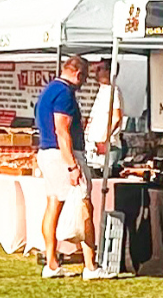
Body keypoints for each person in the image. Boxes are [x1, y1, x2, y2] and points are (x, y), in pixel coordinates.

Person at [34, 56, 112, 280]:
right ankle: (91, 266)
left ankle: (51, 263)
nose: (84, 83)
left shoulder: (49, 90)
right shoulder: (65, 94)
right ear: (78, 74)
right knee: (85, 205)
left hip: (47, 152)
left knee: (53, 205)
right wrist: (72, 166)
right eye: (85, 78)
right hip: (63, 156)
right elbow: (62, 130)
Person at [85, 59, 125, 176]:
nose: (96, 72)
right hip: (95, 147)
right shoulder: (103, 91)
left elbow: (116, 117)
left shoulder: (113, 91)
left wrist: (105, 139)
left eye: (99, 69)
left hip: (106, 147)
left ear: (108, 71)